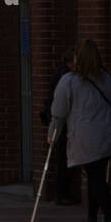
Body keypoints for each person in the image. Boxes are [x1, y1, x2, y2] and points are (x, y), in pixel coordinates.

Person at [51, 39, 111, 222]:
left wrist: (53, 135)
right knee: (96, 175)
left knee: (95, 177)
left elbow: (58, 112)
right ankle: (92, 218)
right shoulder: (107, 79)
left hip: (84, 135)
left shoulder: (69, 81)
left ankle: (108, 216)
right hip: (107, 134)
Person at [41, 48, 79, 205]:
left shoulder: (62, 75)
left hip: (60, 121)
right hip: (63, 123)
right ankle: (62, 194)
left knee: (64, 158)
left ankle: (62, 193)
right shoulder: (66, 77)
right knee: (64, 158)